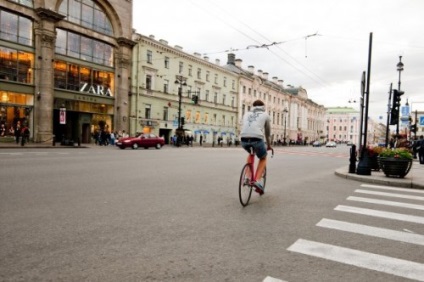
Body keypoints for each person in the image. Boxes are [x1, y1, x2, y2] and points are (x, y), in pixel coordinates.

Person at [240, 99, 272, 195]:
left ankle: (247, 177)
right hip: (257, 139)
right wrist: (269, 145)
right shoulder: (266, 115)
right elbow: (267, 134)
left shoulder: (246, 114)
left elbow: (245, 126)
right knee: (263, 157)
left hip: (243, 139)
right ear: (263, 107)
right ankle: (257, 180)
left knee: (251, 153)